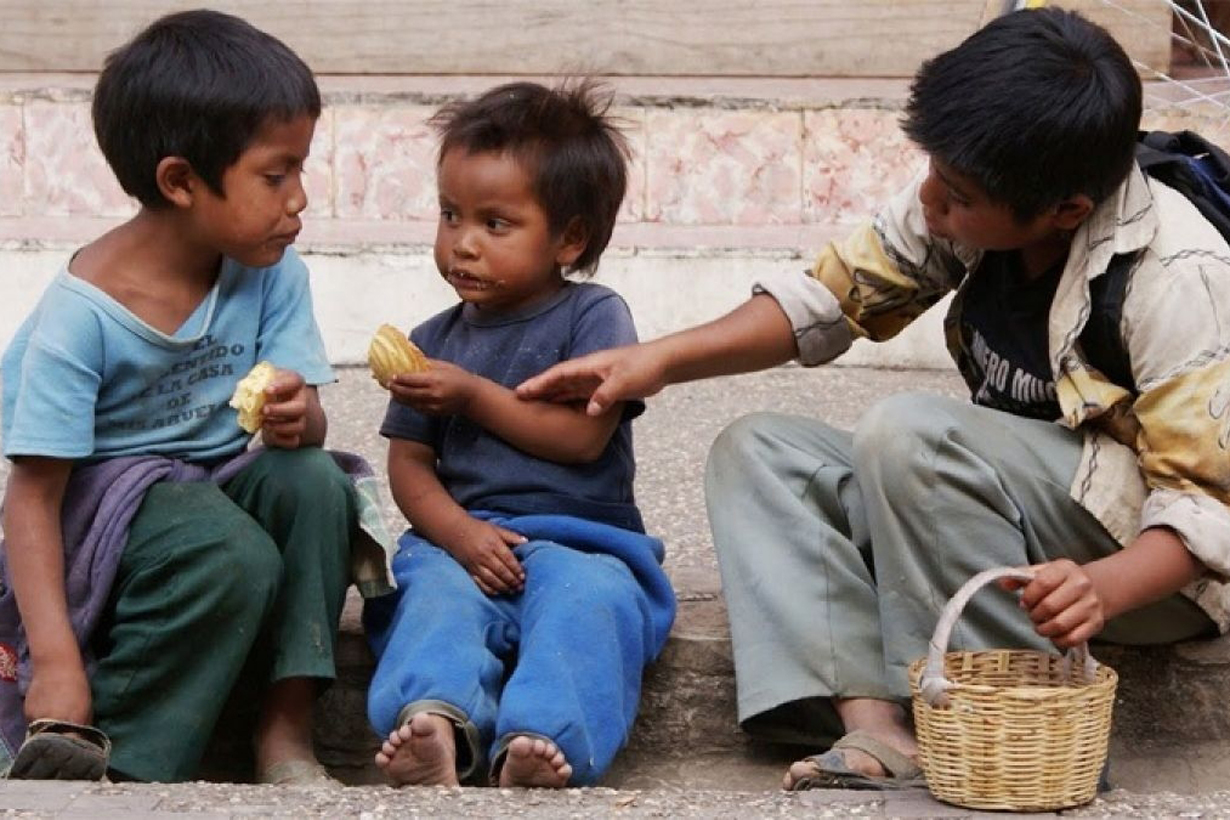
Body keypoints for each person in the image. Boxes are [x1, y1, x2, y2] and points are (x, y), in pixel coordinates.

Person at [519, 7, 1230, 791]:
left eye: (955, 195)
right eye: (931, 171)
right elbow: (831, 299)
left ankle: (999, 722)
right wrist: (652, 360)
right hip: (1001, 539)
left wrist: (1104, 586)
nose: (929, 201)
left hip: (1146, 579)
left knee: (910, 431)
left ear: (1065, 209)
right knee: (757, 450)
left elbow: (1210, 509)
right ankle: (876, 726)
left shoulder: (1178, 273)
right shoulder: (974, 188)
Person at [0, 9, 393, 785]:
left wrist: (297, 416)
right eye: (276, 175)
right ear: (181, 181)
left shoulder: (272, 270)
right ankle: (125, 764)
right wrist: (56, 661)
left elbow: (307, 426)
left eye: (301, 170)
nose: (300, 200)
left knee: (317, 482)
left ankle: (285, 732)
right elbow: (33, 499)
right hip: (102, 512)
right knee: (227, 548)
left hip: (211, 489)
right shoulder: (83, 317)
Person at [363, 80, 676, 789]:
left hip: (581, 541)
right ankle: (433, 724)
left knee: (588, 607)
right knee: (432, 602)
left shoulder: (594, 318)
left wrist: (472, 395)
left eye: (494, 224)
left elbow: (581, 440)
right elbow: (410, 464)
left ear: (569, 238)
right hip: (463, 540)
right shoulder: (430, 341)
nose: (461, 244)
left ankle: (542, 739)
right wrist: (456, 533)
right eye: (450, 216)